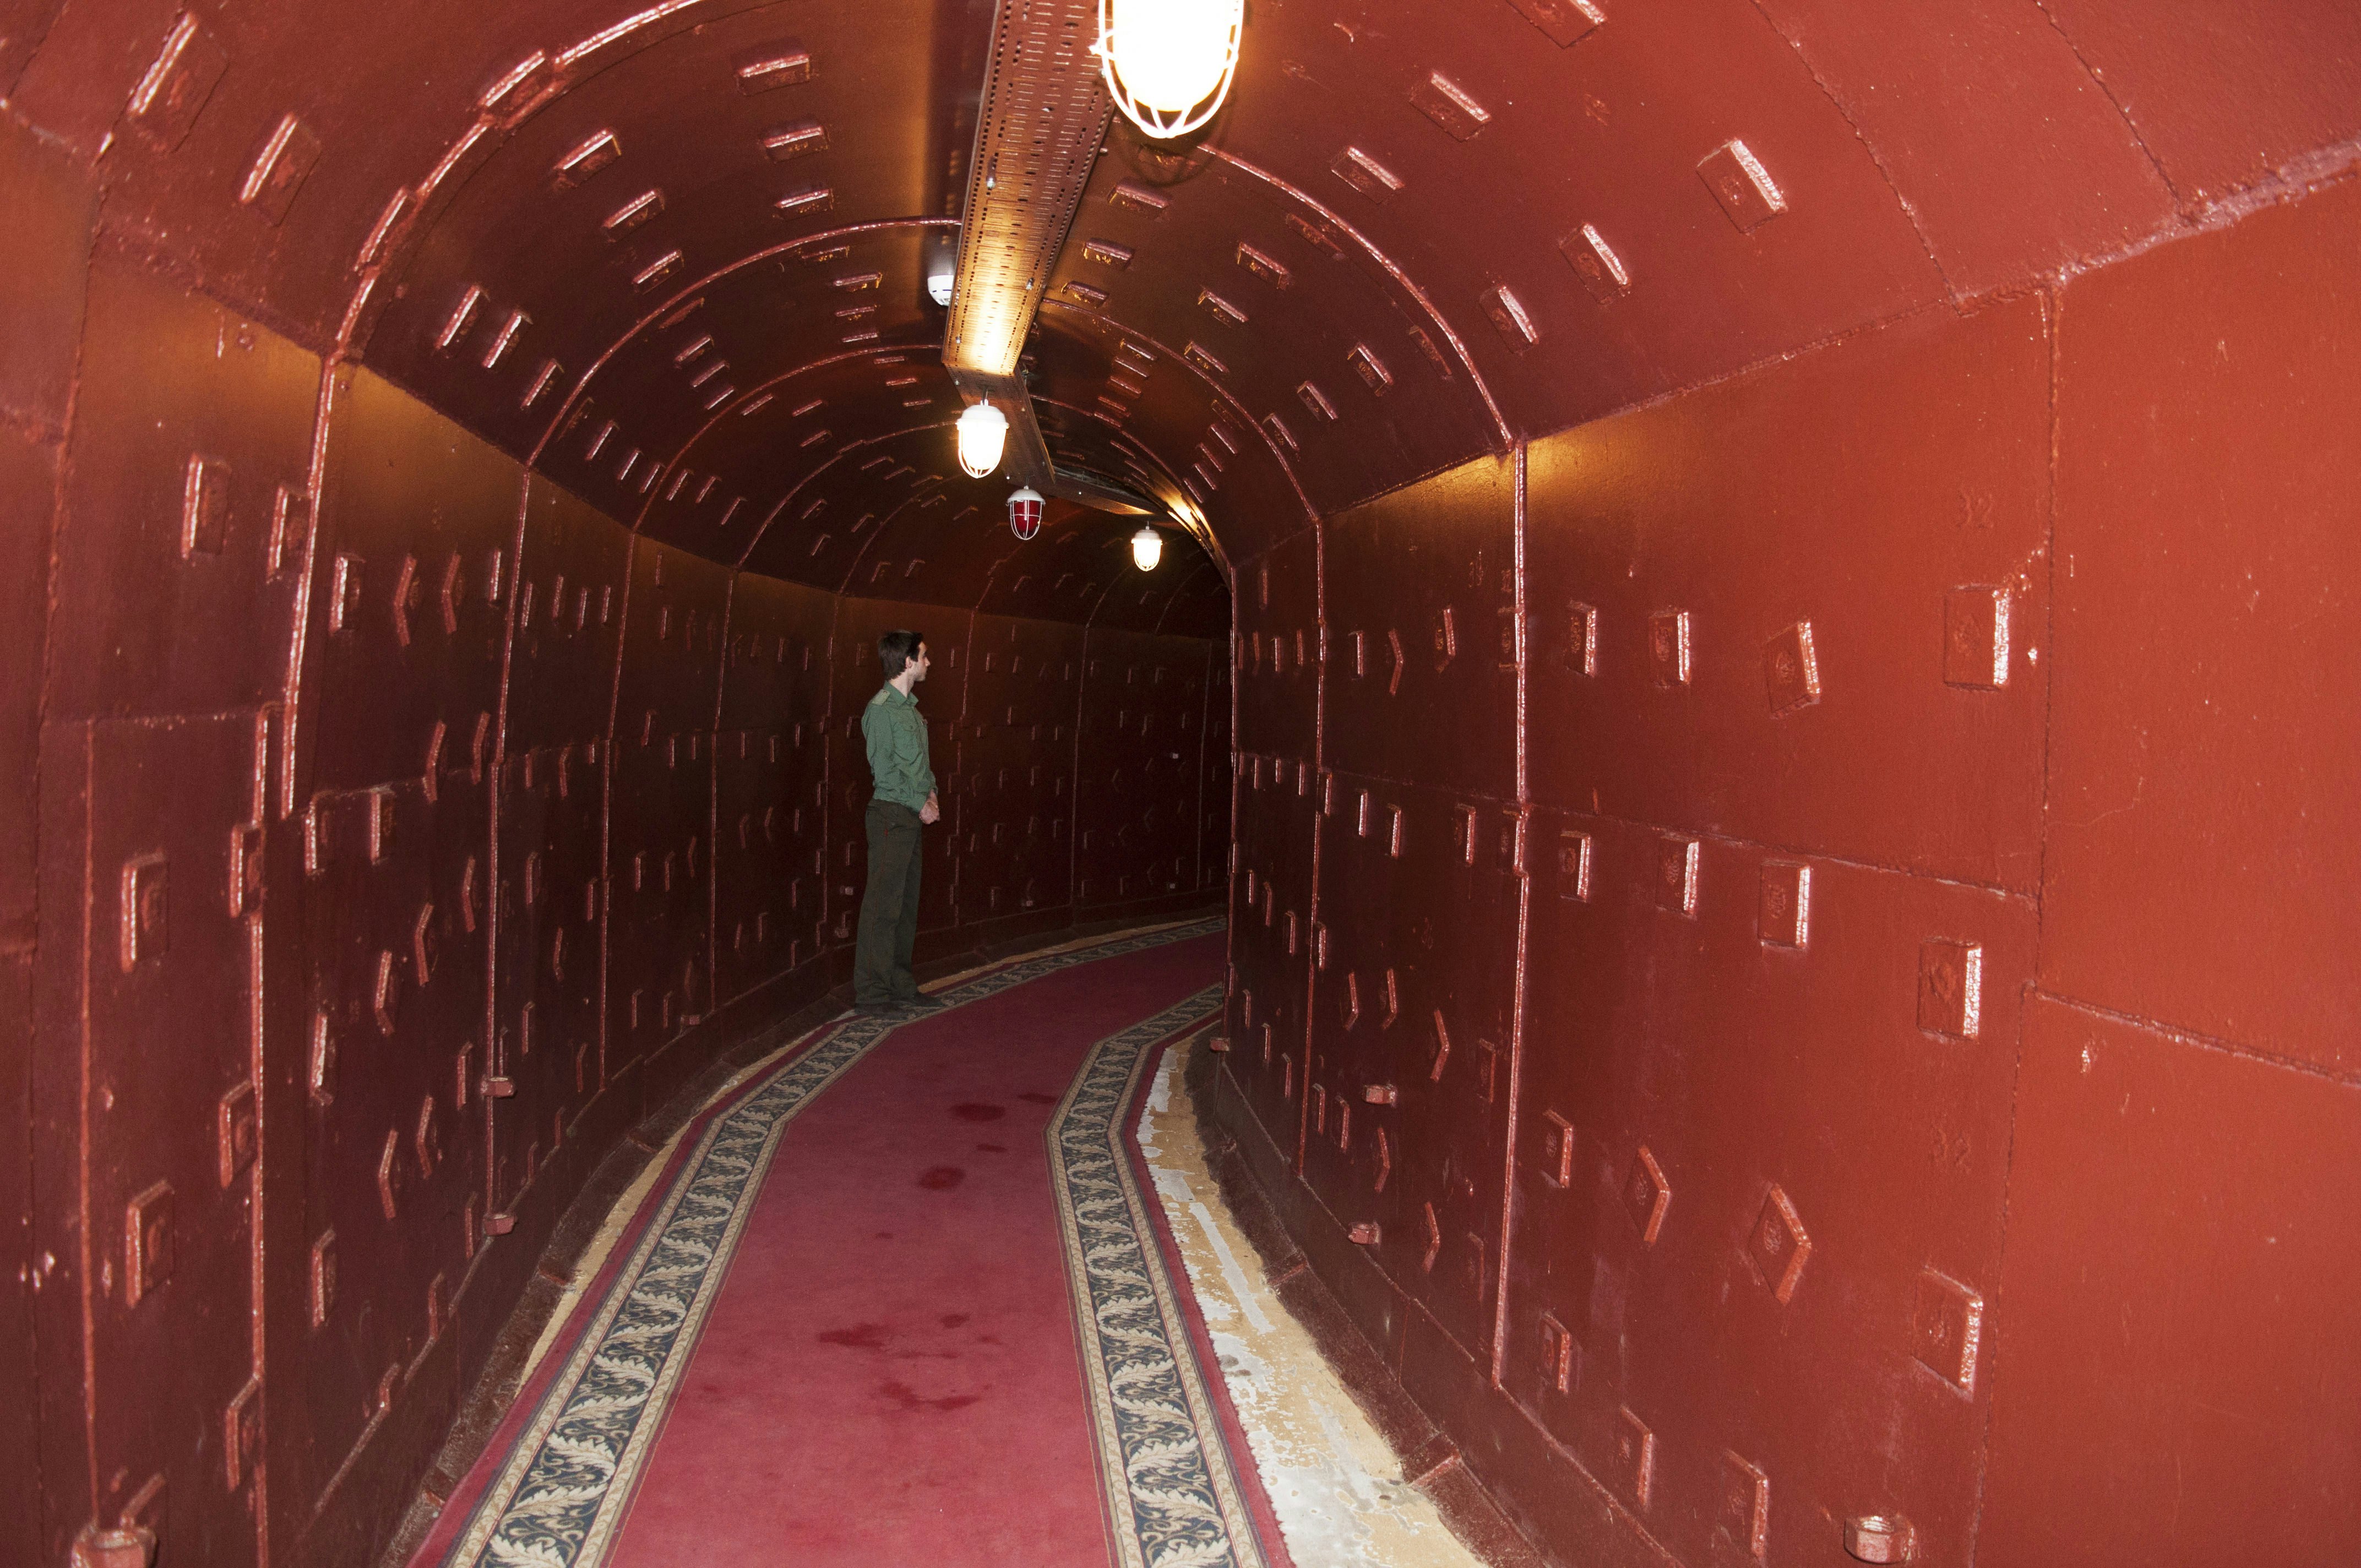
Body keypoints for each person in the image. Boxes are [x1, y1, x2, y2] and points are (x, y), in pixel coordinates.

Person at [853, 630, 943, 1015]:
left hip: (911, 815)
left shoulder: (910, 709)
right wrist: (918, 804)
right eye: (922, 656)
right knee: (882, 907)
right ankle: (872, 994)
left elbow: (920, 766)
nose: (927, 663)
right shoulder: (880, 710)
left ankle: (900, 984)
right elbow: (885, 772)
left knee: (906, 907)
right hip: (891, 814)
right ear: (906, 662)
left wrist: (932, 794)